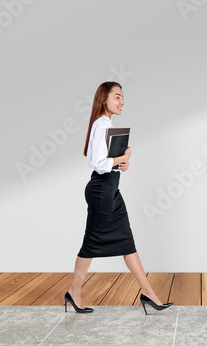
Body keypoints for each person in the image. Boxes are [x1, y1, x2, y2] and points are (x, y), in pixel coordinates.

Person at [64, 81, 173, 314]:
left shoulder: (105, 124)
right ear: (103, 99)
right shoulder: (102, 125)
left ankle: (148, 294)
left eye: (122, 97)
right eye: (117, 96)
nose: (122, 101)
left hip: (110, 189)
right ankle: (74, 292)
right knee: (91, 244)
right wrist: (123, 156)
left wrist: (121, 164)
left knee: (127, 241)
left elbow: (106, 164)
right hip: (102, 191)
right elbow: (98, 164)